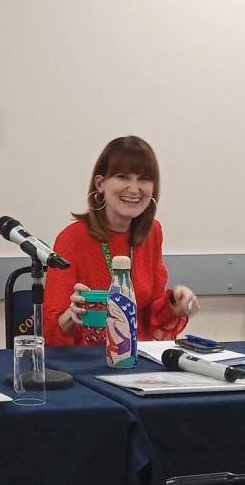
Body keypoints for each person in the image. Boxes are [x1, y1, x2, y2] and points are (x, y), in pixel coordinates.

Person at [43, 135, 198, 347]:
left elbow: (149, 314)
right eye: (123, 177)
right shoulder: (72, 238)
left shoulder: (152, 232)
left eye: (144, 179)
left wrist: (174, 304)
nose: (134, 189)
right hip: (84, 361)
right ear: (100, 183)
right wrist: (73, 315)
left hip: (138, 360)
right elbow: (51, 329)